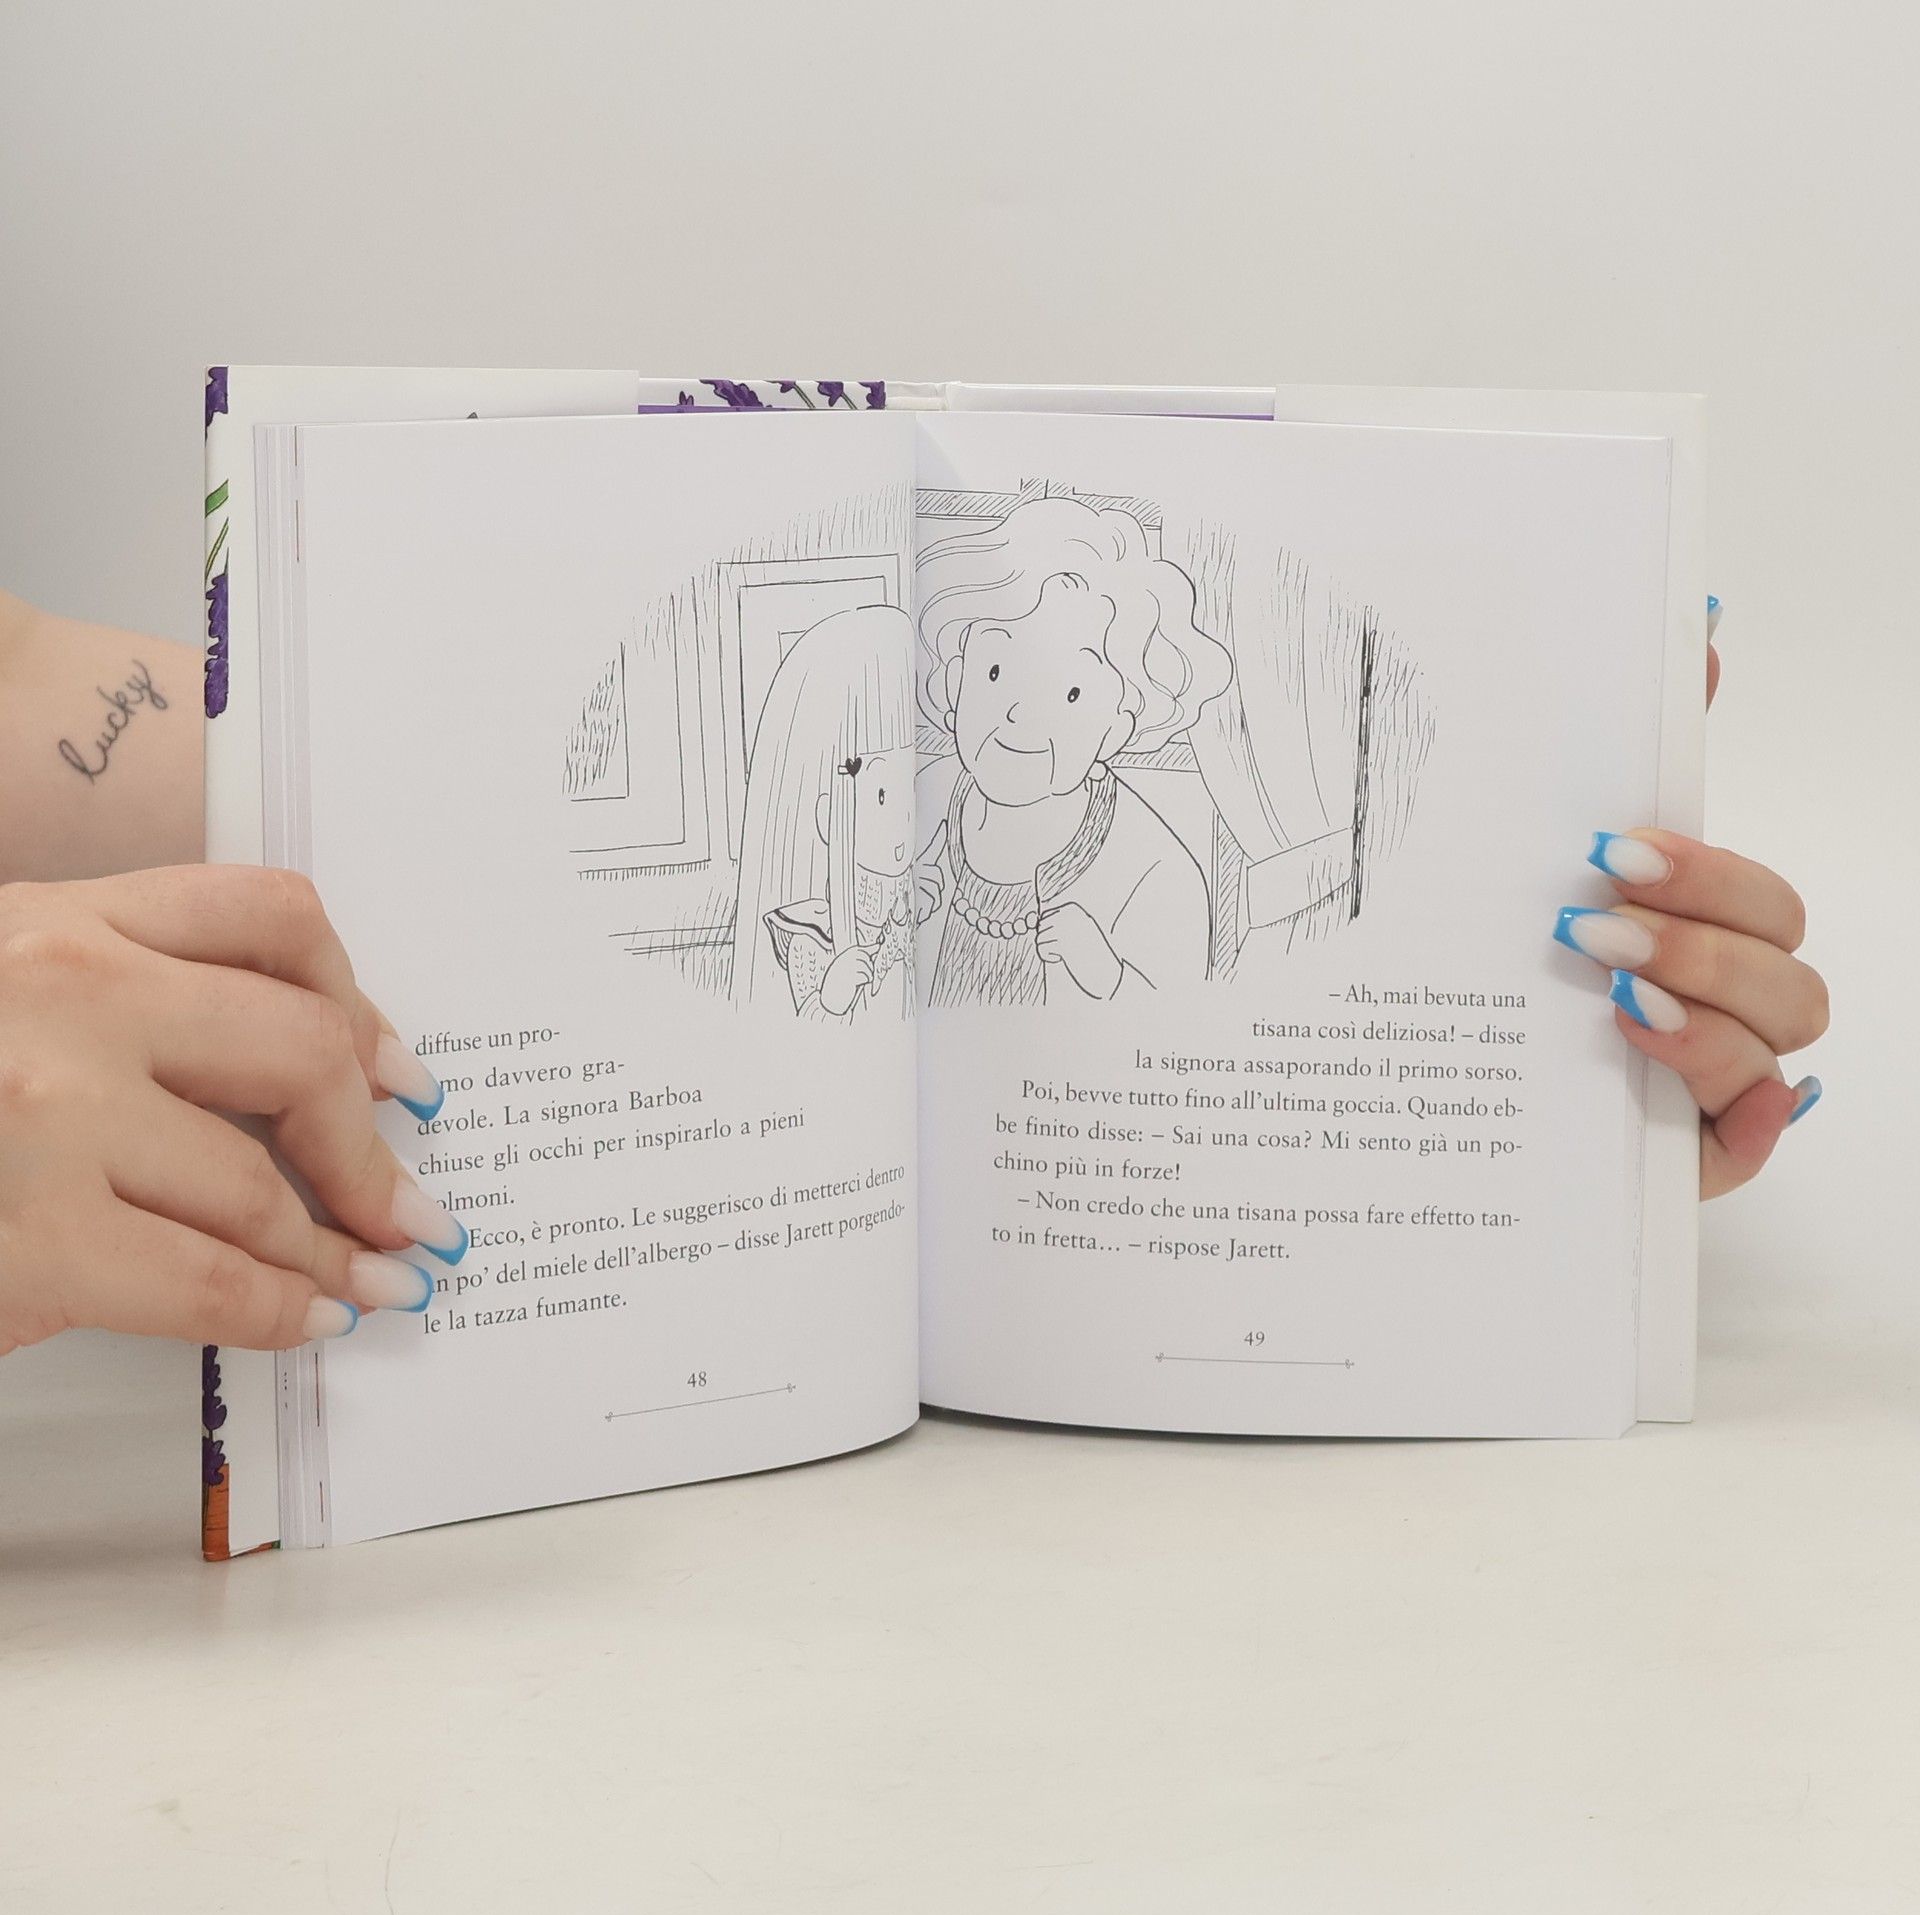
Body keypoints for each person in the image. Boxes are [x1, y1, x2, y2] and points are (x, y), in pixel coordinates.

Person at [0, 583, 1828, 1356]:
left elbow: (63, 728)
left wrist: (1456, 1045)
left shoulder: (1139, 840)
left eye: (1072, 689)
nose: (1020, 718)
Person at [915, 496, 1234, 1006]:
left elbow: (1185, 1024)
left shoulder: (1157, 871)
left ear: (1115, 731)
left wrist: (1110, 977)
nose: (1019, 713)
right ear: (956, 683)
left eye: (1070, 693)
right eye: (995, 672)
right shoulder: (928, 798)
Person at [730, 605, 921, 1021]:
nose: (904, 817)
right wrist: (830, 1001)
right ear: (826, 815)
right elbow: (802, 1038)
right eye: (882, 795)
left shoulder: (904, 901)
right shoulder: (811, 934)